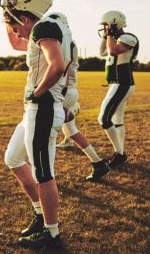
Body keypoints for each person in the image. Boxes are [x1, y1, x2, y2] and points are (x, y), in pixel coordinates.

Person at [0, 0, 70, 249]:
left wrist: (36, 93)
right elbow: (17, 43)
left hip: (41, 110)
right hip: (36, 111)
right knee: (14, 158)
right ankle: (41, 216)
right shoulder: (47, 27)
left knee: (43, 173)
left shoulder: (46, 25)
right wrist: (7, 22)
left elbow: (57, 65)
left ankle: (52, 234)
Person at [50, 13, 111, 181]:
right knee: (71, 130)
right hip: (70, 90)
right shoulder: (71, 42)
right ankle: (98, 163)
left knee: (47, 134)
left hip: (62, 90)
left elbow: (59, 68)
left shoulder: (60, 41)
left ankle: (46, 177)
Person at [97, 10, 139, 168]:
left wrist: (109, 36)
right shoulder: (113, 39)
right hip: (115, 83)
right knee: (117, 119)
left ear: (114, 23)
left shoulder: (128, 37)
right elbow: (102, 52)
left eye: (106, 25)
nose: (105, 28)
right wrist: (106, 36)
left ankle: (120, 154)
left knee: (103, 118)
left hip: (122, 82)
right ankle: (120, 153)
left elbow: (114, 51)